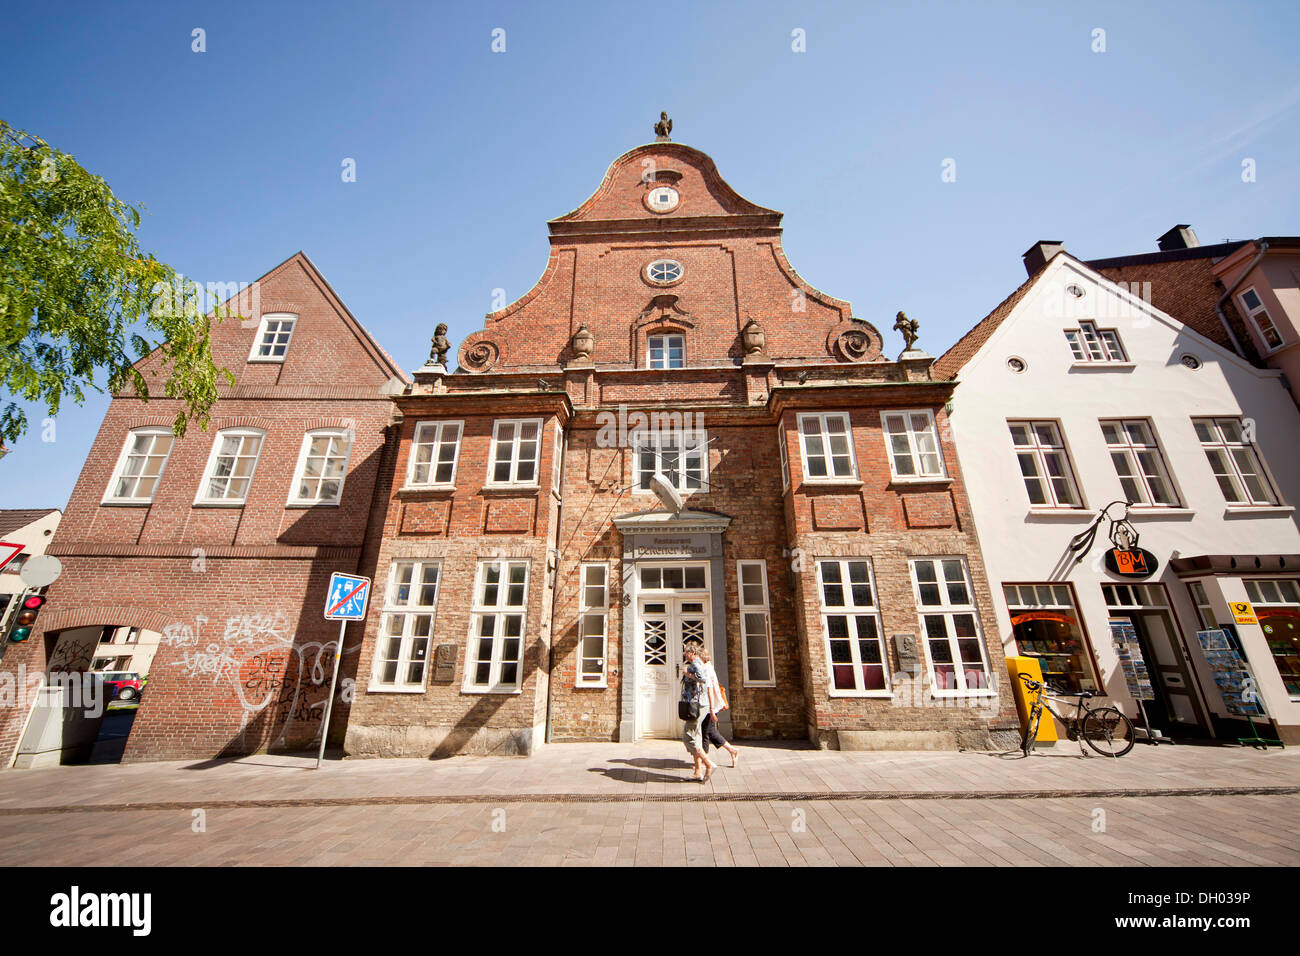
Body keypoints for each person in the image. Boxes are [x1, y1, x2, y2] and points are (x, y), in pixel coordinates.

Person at [695, 646, 740, 768]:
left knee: (706, 732)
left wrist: (711, 709)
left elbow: (709, 689)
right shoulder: (708, 667)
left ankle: (707, 760)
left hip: (710, 704)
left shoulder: (706, 669)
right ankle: (731, 750)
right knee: (710, 731)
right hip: (710, 704)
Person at [680, 644, 717, 782]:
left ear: (691, 652)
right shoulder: (697, 663)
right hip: (699, 704)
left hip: (697, 704)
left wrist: (687, 674)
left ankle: (708, 764)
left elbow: (702, 679)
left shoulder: (696, 663)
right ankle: (698, 771)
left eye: (685, 652)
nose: (684, 654)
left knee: (688, 736)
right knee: (696, 737)